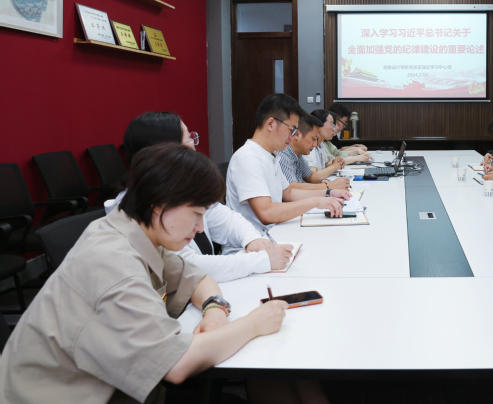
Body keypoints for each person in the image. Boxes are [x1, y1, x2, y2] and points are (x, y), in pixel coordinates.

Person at [0, 143, 289, 404]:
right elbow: (177, 365)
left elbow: (198, 278)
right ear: (159, 204)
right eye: (196, 213)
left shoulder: (134, 230)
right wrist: (254, 324)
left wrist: (215, 309)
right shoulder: (115, 263)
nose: (201, 227)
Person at [104, 111, 295, 283]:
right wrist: (260, 260)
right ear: (166, 152)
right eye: (189, 139)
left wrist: (252, 240)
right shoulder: (140, 210)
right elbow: (189, 267)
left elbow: (228, 220)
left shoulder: (182, 189)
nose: (194, 147)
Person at [226, 94, 348, 240]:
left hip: (274, 234)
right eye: (292, 130)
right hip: (254, 244)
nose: (292, 136)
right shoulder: (248, 158)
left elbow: (288, 193)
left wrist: (328, 193)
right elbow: (266, 212)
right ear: (271, 124)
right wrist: (316, 202)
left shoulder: (271, 155)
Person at [278, 113, 351, 191]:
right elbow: (291, 187)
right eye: (313, 139)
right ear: (297, 135)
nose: (315, 144)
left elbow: (310, 175)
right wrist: (328, 186)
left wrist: (325, 182)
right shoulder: (283, 154)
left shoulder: (298, 154)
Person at [304, 109, 346, 176]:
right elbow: (313, 175)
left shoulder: (321, 143)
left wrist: (336, 163)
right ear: (319, 125)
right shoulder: (310, 146)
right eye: (331, 125)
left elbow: (325, 164)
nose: (334, 129)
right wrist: (334, 167)